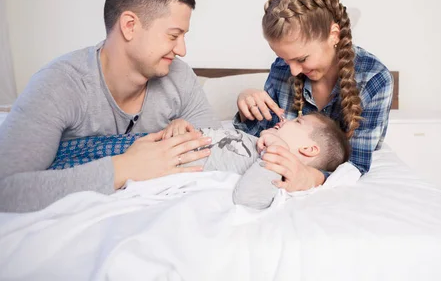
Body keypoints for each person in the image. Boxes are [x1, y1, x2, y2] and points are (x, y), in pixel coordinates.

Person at [0, 0, 219, 213]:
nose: (182, 50)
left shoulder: (179, 77)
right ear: (129, 26)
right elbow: (6, 187)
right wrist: (124, 168)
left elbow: (221, 149)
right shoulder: (59, 85)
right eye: (173, 36)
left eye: (183, 37)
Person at [234, 0, 393, 192]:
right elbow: (266, 133)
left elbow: (357, 164)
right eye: (283, 58)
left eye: (302, 59)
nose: (293, 71)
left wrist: (312, 177)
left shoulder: (374, 79)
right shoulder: (283, 68)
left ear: (333, 35)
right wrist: (247, 102)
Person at [49, 112, 350, 209]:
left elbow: (248, 198)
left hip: (142, 162)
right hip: (149, 143)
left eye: (296, 123)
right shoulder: (255, 140)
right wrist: (182, 126)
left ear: (309, 151)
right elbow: (217, 134)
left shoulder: (275, 165)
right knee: (64, 148)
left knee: (60, 172)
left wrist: (274, 149)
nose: (284, 120)